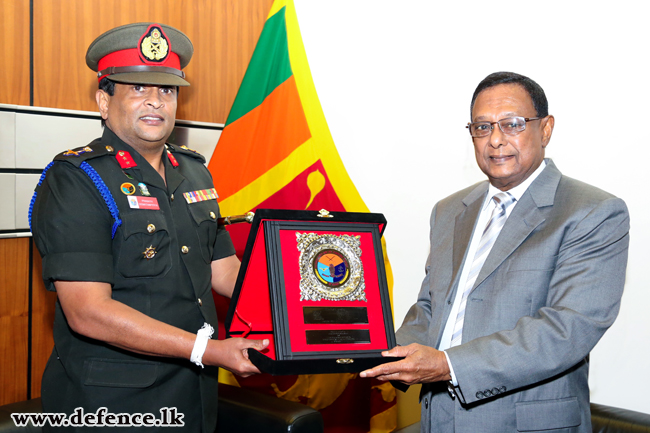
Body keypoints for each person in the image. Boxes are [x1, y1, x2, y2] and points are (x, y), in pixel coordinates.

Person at [30, 23, 268, 432]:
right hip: (113, 405)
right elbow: (88, 312)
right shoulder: (76, 179)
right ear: (104, 100)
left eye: (167, 90)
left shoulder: (194, 171)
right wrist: (207, 351)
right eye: (137, 89)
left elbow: (224, 271)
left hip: (193, 392)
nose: (155, 102)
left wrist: (300, 306)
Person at [361, 72, 629, 432]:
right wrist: (379, 354)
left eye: (512, 124)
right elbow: (430, 308)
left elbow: (568, 329)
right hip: (437, 419)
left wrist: (448, 366)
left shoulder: (592, 211)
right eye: (483, 127)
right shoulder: (449, 210)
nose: (496, 140)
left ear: (545, 129)